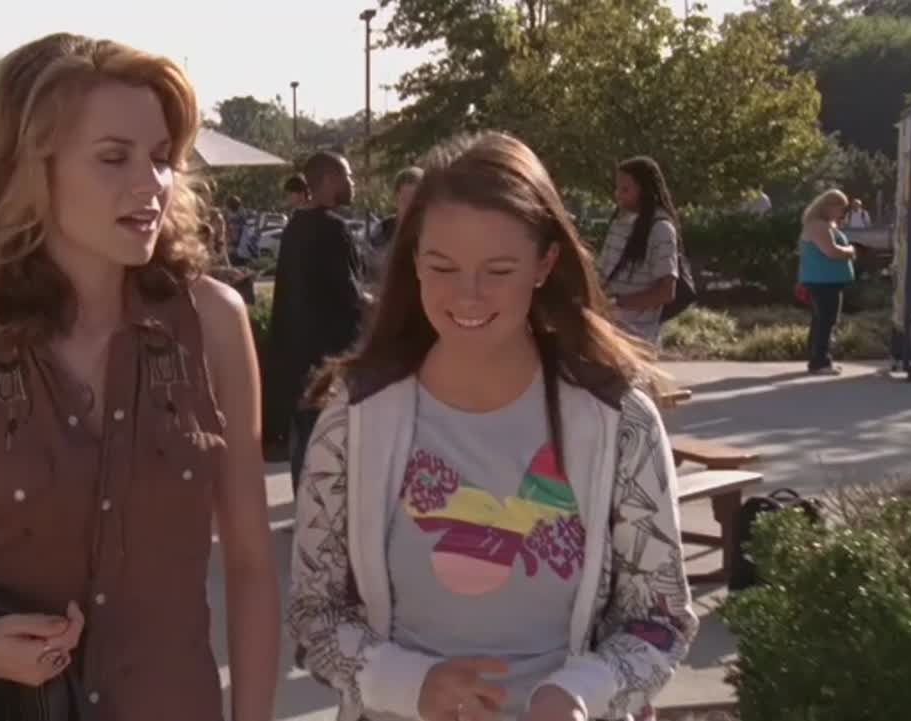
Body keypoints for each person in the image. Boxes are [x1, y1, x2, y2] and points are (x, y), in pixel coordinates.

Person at [0, 33, 279, 720]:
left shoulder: (215, 325)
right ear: (28, 169)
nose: (152, 183)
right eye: (114, 157)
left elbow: (251, 564)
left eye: (161, 157)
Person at [289, 131, 697, 721]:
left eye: (499, 269)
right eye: (443, 266)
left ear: (545, 263)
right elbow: (314, 613)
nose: (469, 295)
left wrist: (579, 692)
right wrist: (409, 685)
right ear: (414, 261)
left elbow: (660, 620)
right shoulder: (353, 421)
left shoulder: (620, 421)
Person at [266, 150, 367, 492]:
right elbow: (351, 297)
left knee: (305, 448)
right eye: (347, 176)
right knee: (330, 448)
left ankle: (306, 512)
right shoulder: (333, 230)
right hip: (330, 363)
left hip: (296, 364)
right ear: (328, 180)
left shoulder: (294, 228)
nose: (352, 182)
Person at [598, 157, 681, 346]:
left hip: (639, 339)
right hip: (608, 333)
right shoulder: (619, 223)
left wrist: (618, 303)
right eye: (617, 188)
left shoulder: (661, 229)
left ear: (644, 190)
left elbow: (666, 292)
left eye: (625, 189)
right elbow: (602, 274)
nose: (617, 194)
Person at [799, 188, 856, 375]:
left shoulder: (824, 225)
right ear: (829, 206)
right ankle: (819, 362)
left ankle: (817, 358)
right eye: (841, 208)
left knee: (821, 320)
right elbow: (831, 251)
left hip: (826, 280)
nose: (842, 213)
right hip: (823, 281)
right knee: (826, 321)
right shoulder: (818, 226)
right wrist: (850, 251)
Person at [378, 166, 425, 248]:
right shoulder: (381, 233)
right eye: (405, 200)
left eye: (416, 200)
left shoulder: (434, 235)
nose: (410, 207)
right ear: (395, 200)